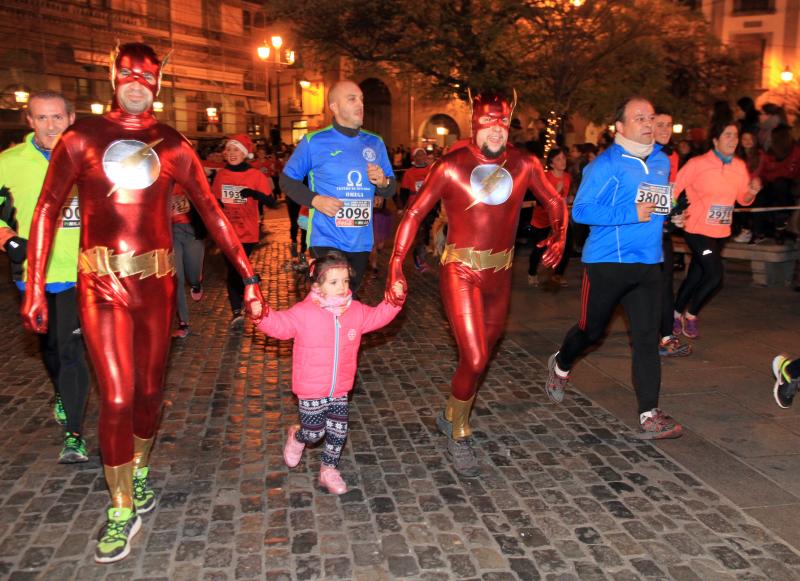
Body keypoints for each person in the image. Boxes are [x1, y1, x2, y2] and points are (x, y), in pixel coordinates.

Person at [21, 43, 265, 564]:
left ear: (159, 82)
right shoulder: (82, 136)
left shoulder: (173, 144)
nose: (136, 83)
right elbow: (44, 209)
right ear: (113, 74)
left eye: (146, 76)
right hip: (101, 283)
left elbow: (212, 212)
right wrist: (35, 283)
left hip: (155, 286)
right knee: (116, 397)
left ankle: (140, 471)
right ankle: (119, 507)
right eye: (127, 74)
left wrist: (248, 274)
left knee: (150, 392)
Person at [385, 91, 567, 476]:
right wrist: (396, 265)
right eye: (487, 122)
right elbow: (414, 213)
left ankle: (450, 412)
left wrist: (560, 235)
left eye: (501, 122)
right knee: (476, 357)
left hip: (501, 274)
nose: (496, 130)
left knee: (484, 352)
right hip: (461, 271)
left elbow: (554, 200)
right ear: (474, 125)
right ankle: (460, 432)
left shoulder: (525, 163)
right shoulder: (451, 166)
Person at [544, 96, 683, 440]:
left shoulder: (662, 161)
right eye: (639, 118)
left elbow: (657, 203)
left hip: (648, 265)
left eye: (651, 116)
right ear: (620, 127)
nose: (648, 123)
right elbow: (582, 211)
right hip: (607, 264)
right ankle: (561, 363)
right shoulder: (606, 164)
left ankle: (649, 413)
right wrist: (630, 215)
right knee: (591, 332)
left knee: (647, 340)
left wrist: (673, 213)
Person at [257, 250, 404, 494]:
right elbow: (280, 325)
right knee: (314, 432)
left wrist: (394, 302)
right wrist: (260, 314)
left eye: (345, 281)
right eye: (334, 282)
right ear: (318, 285)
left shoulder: (355, 311)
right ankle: (298, 436)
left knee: (338, 431)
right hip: (311, 387)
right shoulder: (303, 313)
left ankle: (329, 470)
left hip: (341, 387)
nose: (342, 287)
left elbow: (378, 316)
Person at [0, 90, 91, 463]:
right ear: (30, 121)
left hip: (80, 272)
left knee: (71, 350)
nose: (50, 125)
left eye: (57, 117)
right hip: (33, 276)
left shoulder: (90, 160)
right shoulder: (8, 162)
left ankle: (74, 433)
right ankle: (59, 391)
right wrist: (8, 240)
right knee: (50, 349)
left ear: (70, 119)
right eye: (42, 118)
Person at [280, 80, 396, 293]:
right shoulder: (313, 141)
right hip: (326, 237)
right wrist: (316, 200)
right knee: (331, 298)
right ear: (334, 106)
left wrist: (383, 182)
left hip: (360, 240)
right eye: (352, 99)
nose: (360, 104)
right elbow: (286, 180)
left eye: (361, 99)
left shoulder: (375, 143)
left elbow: (390, 189)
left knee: (349, 300)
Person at [672, 121, 760, 339]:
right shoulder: (697, 163)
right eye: (727, 135)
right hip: (696, 229)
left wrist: (751, 191)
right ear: (715, 140)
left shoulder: (739, 166)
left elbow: (743, 199)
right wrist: (673, 213)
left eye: (735, 136)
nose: (733, 139)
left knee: (696, 275)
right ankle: (691, 315)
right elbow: (673, 189)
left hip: (720, 232)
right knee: (714, 275)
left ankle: (674, 314)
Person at [212, 134, 275, 327]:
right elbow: (214, 201)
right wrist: (218, 203)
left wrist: (253, 193)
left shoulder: (256, 175)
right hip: (226, 231)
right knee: (232, 270)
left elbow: (271, 201)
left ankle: (248, 292)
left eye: (236, 149)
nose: (232, 153)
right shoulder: (221, 175)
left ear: (245, 153)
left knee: (238, 269)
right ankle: (237, 310)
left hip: (247, 232)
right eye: (229, 150)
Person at [652, 109, 691, 357]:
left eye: (670, 124)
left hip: (659, 230)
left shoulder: (672, 155)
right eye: (661, 124)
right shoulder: (640, 155)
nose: (666, 129)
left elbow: (671, 192)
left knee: (665, 284)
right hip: (633, 233)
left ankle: (666, 336)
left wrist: (675, 213)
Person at [527, 146, 572, 288]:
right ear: (552, 164)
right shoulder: (545, 177)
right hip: (542, 219)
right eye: (558, 159)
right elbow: (540, 201)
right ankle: (532, 272)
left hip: (560, 219)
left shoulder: (567, 177)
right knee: (539, 248)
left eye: (564, 158)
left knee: (566, 246)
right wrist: (554, 194)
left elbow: (564, 197)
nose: (562, 161)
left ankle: (558, 274)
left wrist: (568, 200)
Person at [170, 184, 206, 338]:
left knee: (193, 273)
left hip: (191, 231)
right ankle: (183, 323)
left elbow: (205, 201)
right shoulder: (155, 181)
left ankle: (196, 284)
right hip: (170, 233)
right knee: (176, 278)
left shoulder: (186, 178)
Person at [399, 147, 434, 271]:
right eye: (418, 155)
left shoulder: (432, 170)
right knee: (419, 234)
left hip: (430, 206)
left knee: (428, 233)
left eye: (423, 154)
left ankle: (423, 255)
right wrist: (401, 208)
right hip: (415, 206)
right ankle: (419, 260)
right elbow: (403, 192)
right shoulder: (409, 173)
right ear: (414, 158)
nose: (422, 157)